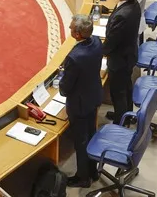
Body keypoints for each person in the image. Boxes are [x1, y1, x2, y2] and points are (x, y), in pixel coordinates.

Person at [60, 14, 103, 189]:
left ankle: (83, 177)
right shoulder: (98, 42)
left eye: (71, 28)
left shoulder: (75, 57)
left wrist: (62, 78)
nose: (69, 29)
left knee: (81, 141)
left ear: (78, 34)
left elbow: (65, 88)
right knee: (91, 134)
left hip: (79, 104)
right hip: (93, 97)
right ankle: (93, 171)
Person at [104, 0, 142, 123]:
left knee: (118, 92)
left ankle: (120, 123)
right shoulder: (134, 4)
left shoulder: (122, 15)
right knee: (126, 87)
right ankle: (127, 115)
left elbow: (112, 41)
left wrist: (99, 52)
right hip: (129, 54)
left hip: (119, 60)